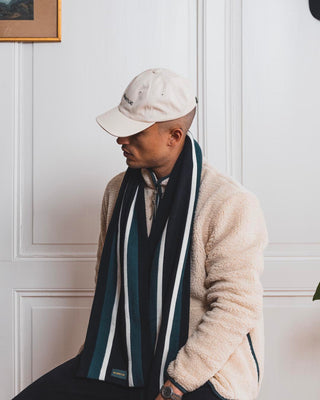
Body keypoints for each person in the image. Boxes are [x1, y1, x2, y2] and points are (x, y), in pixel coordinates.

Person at [13, 68, 269, 400]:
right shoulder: (117, 191)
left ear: (174, 136)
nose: (122, 140)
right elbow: (108, 282)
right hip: (125, 359)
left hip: (206, 368)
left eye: (135, 133)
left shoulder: (229, 202)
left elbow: (236, 306)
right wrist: (96, 358)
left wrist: (178, 381)